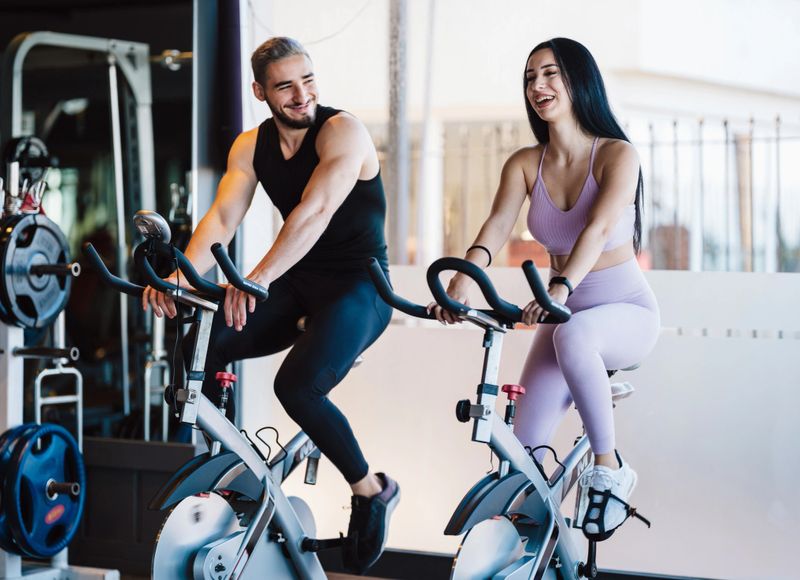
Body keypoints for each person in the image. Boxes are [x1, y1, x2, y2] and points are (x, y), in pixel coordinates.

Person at [142, 37, 399, 572]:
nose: (302, 95)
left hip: (360, 285)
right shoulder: (249, 145)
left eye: (307, 80)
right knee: (200, 345)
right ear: (260, 91)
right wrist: (177, 277)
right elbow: (221, 218)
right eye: (286, 86)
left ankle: (371, 490)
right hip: (299, 279)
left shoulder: (342, 132)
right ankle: (227, 474)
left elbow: (315, 211)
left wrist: (256, 280)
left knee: (296, 386)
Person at [431, 37, 660, 540]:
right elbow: (494, 228)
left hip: (625, 312)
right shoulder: (523, 163)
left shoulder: (617, 155)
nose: (538, 85)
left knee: (573, 335)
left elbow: (597, 230)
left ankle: (609, 467)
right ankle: (536, 553)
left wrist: (558, 286)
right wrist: (460, 282)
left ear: (579, 80)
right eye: (530, 77)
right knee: (521, 451)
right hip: (563, 318)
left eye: (551, 73)